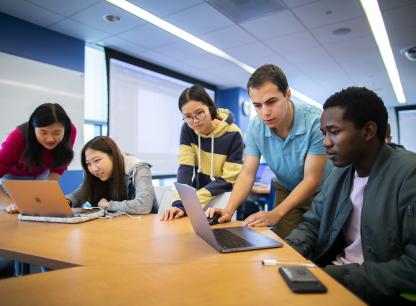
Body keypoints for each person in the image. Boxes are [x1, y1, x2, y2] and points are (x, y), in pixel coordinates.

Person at [286, 87, 416, 305]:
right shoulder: (339, 173)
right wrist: (284, 255)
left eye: (334, 132)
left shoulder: (408, 174)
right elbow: (312, 224)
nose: (326, 142)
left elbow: (412, 267)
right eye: (324, 133)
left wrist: (333, 275)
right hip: (335, 276)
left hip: (375, 289)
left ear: (368, 131)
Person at [207, 64, 332, 238]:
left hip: (322, 191)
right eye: (257, 105)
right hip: (286, 187)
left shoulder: (315, 122)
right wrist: (229, 210)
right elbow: (247, 174)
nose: (265, 112)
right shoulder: (256, 128)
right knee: (287, 244)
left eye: (271, 102)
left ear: (287, 95)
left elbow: (311, 179)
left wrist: (276, 213)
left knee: (320, 245)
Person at [161, 85, 244, 220]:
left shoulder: (234, 134)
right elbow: (185, 169)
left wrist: (189, 203)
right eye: (188, 116)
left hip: (225, 199)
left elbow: (228, 179)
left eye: (199, 113)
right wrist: (180, 204)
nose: (195, 121)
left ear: (210, 108)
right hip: (198, 198)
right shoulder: (188, 129)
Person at [0, 103, 76, 213]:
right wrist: (8, 203)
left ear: (65, 129)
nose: (50, 139)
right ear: (33, 128)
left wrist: (44, 195)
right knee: (13, 213)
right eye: (43, 132)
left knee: (41, 210)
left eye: (56, 133)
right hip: (13, 177)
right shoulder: (17, 137)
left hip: (41, 175)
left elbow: (59, 167)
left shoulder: (70, 131)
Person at [66, 136, 157, 214]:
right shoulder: (94, 174)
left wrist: (109, 205)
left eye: (97, 160)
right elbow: (77, 197)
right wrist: (66, 202)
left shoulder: (138, 168)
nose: (93, 168)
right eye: (88, 164)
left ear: (113, 155)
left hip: (143, 226)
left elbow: (144, 205)